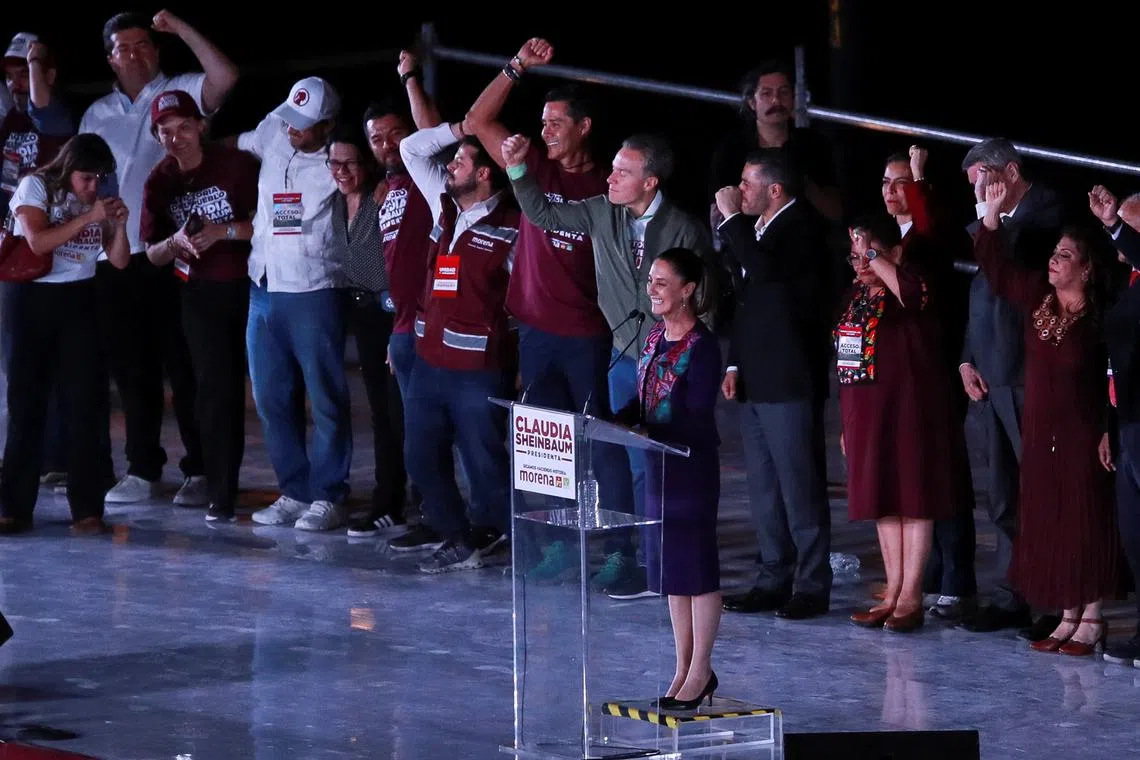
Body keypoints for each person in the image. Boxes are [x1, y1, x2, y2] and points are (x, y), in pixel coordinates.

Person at [80, 9, 238, 506]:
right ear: (109, 57)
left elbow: (226, 78)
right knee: (132, 368)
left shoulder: (179, 90)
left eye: (144, 43)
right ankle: (144, 468)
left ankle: (200, 469)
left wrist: (184, 28)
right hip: (115, 256)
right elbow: (85, 182)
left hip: (172, 252)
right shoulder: (97, 113)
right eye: (124, 46)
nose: (135, 52)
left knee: (184, 362)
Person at [975, 180, 1119, 656]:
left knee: (1083, 519)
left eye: (1064, 255)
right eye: (1053, 253)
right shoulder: (1039, 298)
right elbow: (998, 273)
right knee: (1048, 518)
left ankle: (1092, 617)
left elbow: (1113, 379)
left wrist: (1107, 429)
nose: (1053, 261)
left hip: (1083, 432)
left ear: (1086, 266)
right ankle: (1066, 613)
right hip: (1040, 430)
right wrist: (990, 217)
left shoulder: (1101, 318)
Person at [840, 217, 969, 633]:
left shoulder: (913, 285)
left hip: (912, 410)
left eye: (870, 253)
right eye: (856, 256)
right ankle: (892, 590)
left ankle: (912, 594)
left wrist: (879, 258)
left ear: (894, 253)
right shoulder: (857, 295)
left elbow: (912, 295)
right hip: (867, 413)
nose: (862, 263)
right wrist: (848, 422)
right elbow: (846, 362)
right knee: (882, 499)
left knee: (913, 496)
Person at [0, 134, 130, 536]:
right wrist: (87, 218)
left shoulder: (101, 198)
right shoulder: (35, 186)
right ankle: (14, 507)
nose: (93, 187)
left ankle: (87, 508)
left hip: (80, 299)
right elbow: (38, 242)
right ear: (67, 168)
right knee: (28, 404)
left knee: (85, 406)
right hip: (31, 298)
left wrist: (118, 225)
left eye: (99, 180)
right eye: (86, 178)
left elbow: (120, 260)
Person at [239, 77, 352, 532]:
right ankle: (294, 489)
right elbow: (239, 142)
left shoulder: (338, 159)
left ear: (327, 125)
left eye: (304, 126)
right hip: (262, 286)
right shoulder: (274, 129)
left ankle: (329, 495)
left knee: (324, 399)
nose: (293, 130)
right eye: (290, 119)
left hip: (314, 288)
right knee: (270, 398)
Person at [141, 89, 258, 522]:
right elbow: (150, 253)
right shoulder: (159, 180)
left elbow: (267, 224)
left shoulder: (236, 166)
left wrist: (221, 232)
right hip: (198, 295)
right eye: (165, 132)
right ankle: (221, 492)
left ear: (201, 126)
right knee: (214, 392)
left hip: (252, 287)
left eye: (184, 127)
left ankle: (305, 493)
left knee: (273, 392)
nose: (177, 139)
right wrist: (176, 242)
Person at [617, 247, 722, 709]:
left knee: (697, 569)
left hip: (690, 467)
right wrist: (616, 418)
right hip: (657, 467)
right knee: (672, 572)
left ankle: (702, 669)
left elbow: (698, 415)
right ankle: (682, 666)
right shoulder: (654, 335)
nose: (653, 290)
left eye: (662, 282)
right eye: (651, 281)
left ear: (688, 290)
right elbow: (644, 400)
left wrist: (651, 429)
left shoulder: (703, 346)